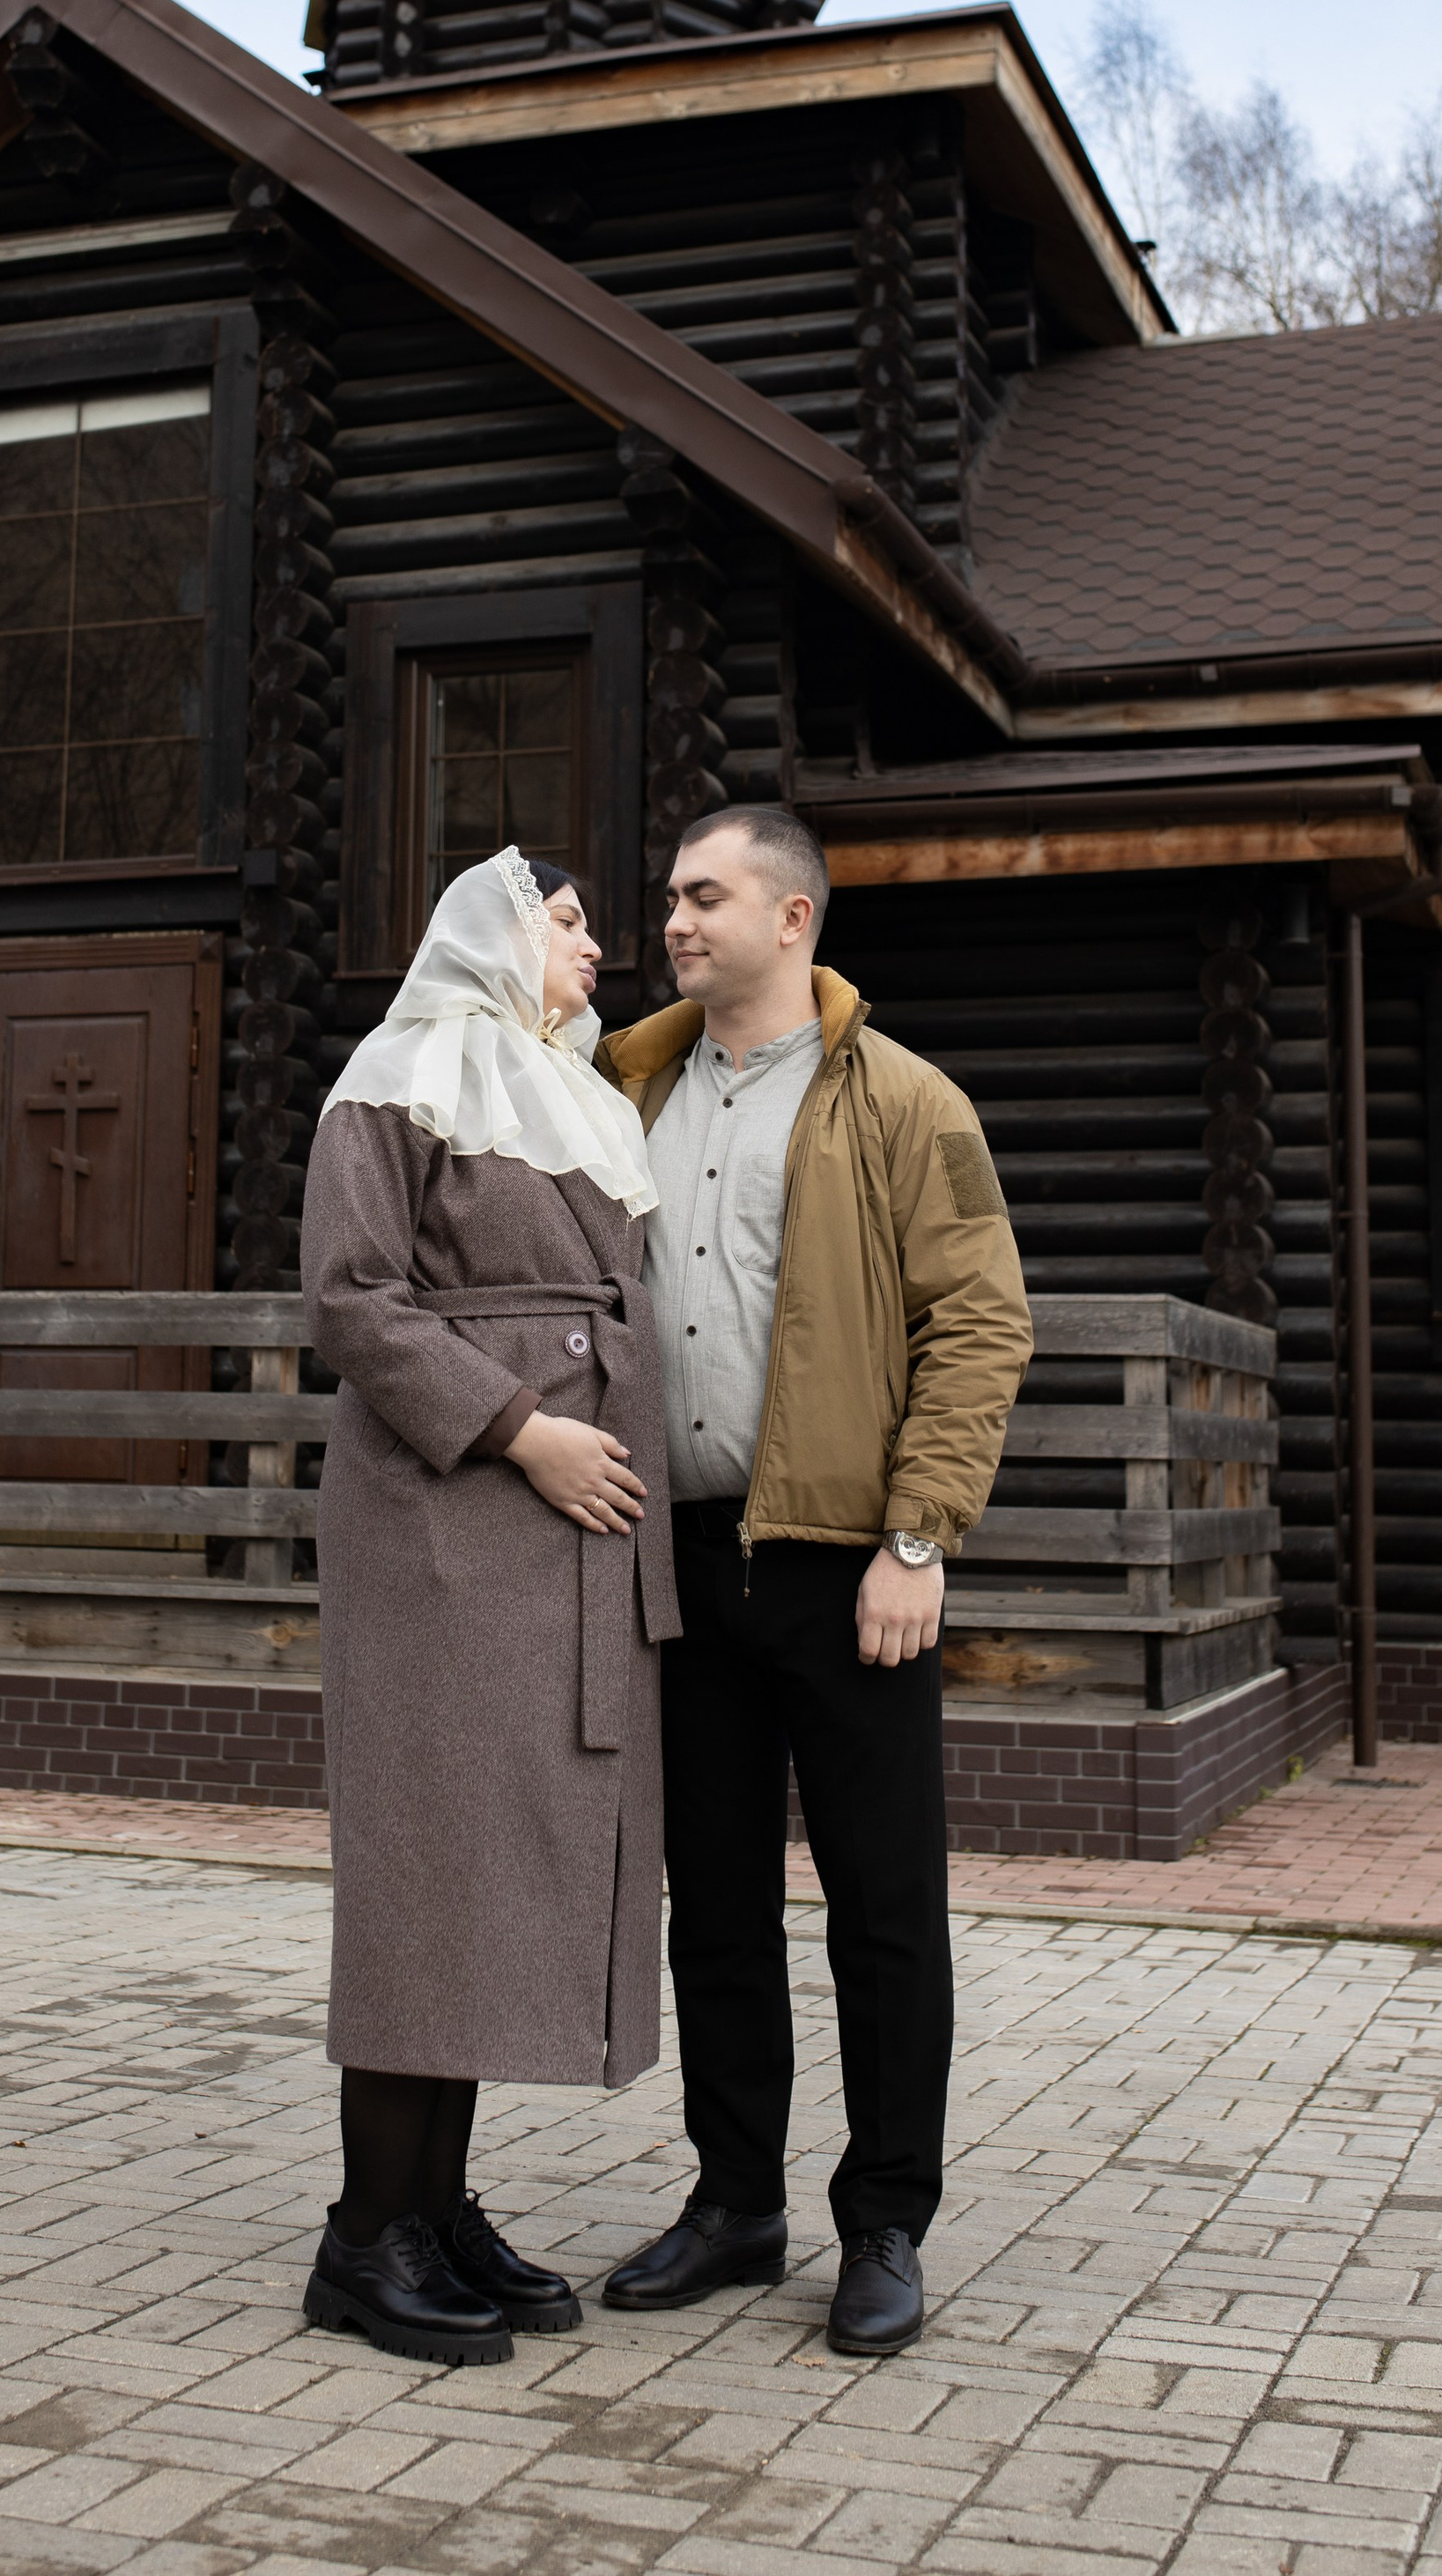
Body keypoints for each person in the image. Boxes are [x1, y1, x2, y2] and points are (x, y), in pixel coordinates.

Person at [594, 803, 1032, 2358]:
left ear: (792, 918)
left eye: (705, 896)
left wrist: (919, 1539)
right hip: (677, 1562)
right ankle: (736, 2205)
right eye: (670, 896)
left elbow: (979, 1324)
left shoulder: (906, 1101)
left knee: (884, 1912)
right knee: (712, 1906)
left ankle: (886, 2222)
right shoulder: (620, 1090)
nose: (675, 920)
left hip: (850, 1573)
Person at [298, 846, 677, 2365]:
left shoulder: (576, 1095)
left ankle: (434, 2208)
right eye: (566, 922)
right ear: (494, 931)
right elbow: (350, 1299)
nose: (594, 948)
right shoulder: (397, 1075)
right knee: (431, 1871)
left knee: (491, 1872)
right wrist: (523, 1429)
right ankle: (363, 2238)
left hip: (561, 1544)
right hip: (445, 1532)